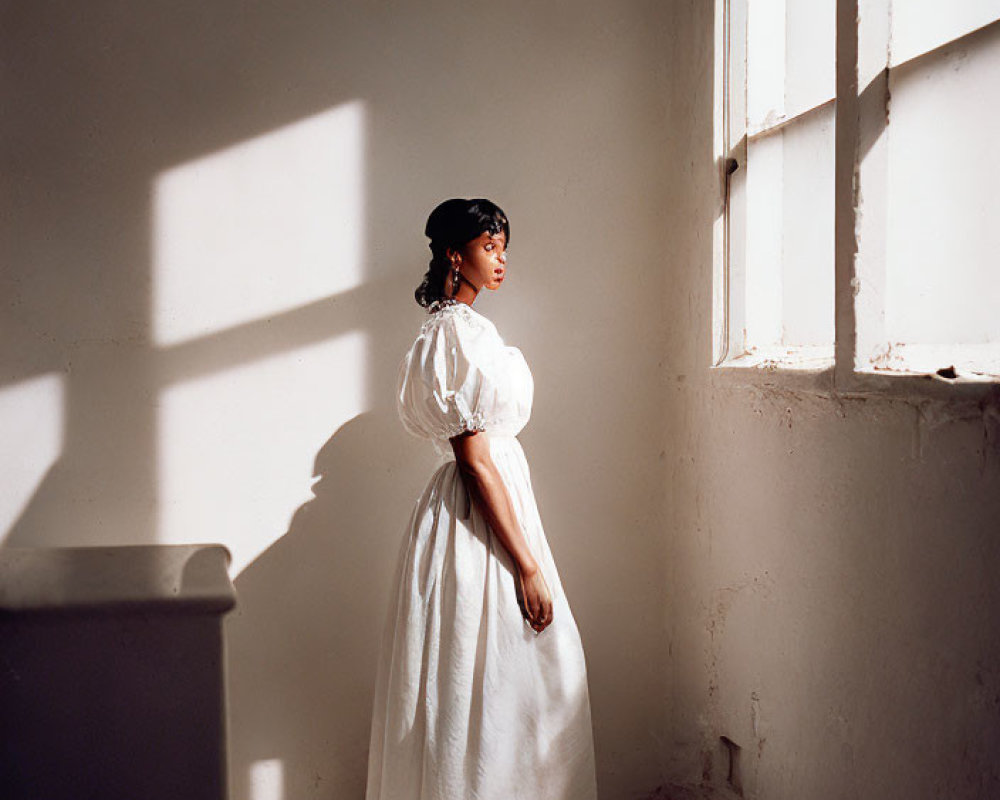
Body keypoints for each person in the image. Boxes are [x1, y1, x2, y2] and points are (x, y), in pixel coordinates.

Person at [365, 198, 598, 800]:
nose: (501, 260)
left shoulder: (464, 329)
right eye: (489, 247)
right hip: (476, 517)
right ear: (453, 253)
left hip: (495, 502)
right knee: (487, 675)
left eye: (503, 248)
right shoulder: (451, 334)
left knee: (509, 681)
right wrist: (526, 565)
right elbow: (473, 460)